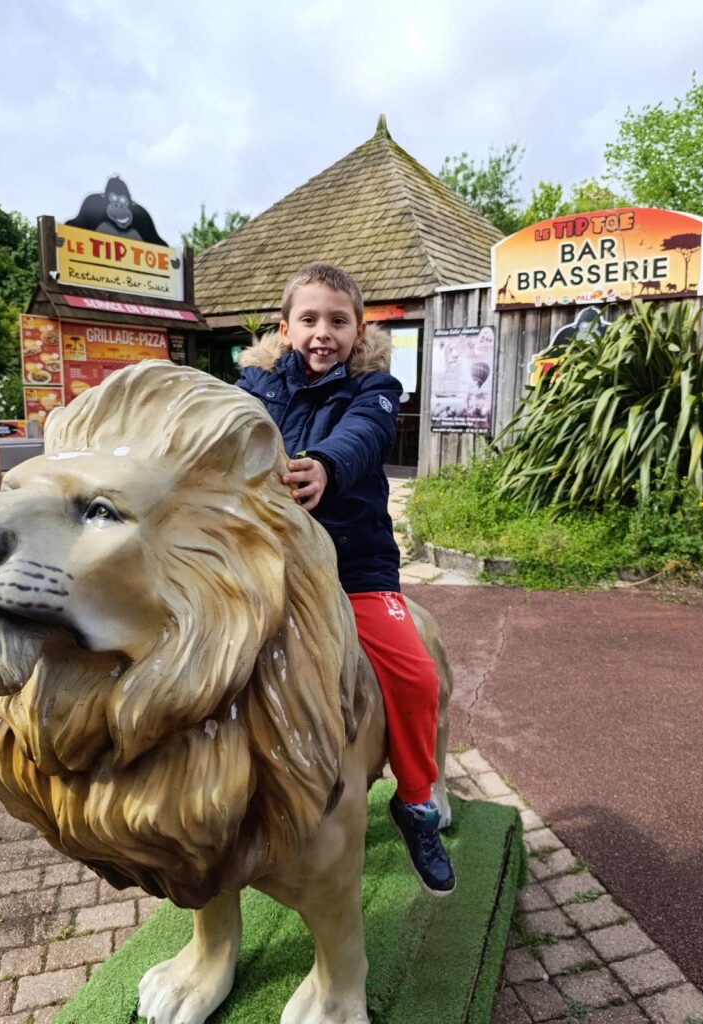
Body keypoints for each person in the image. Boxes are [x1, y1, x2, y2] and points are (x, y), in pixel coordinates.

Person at [236, 262, 455, 895]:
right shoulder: (252, 387)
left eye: (338, 320)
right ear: (285, 328)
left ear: (359, 330)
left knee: (415, 675)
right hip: (265, 561)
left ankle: (414, 801)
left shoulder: (375, 388)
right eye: (308, 319)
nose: (322, 332)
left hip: (351, 566)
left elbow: (365, 436)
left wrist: (325, 465)